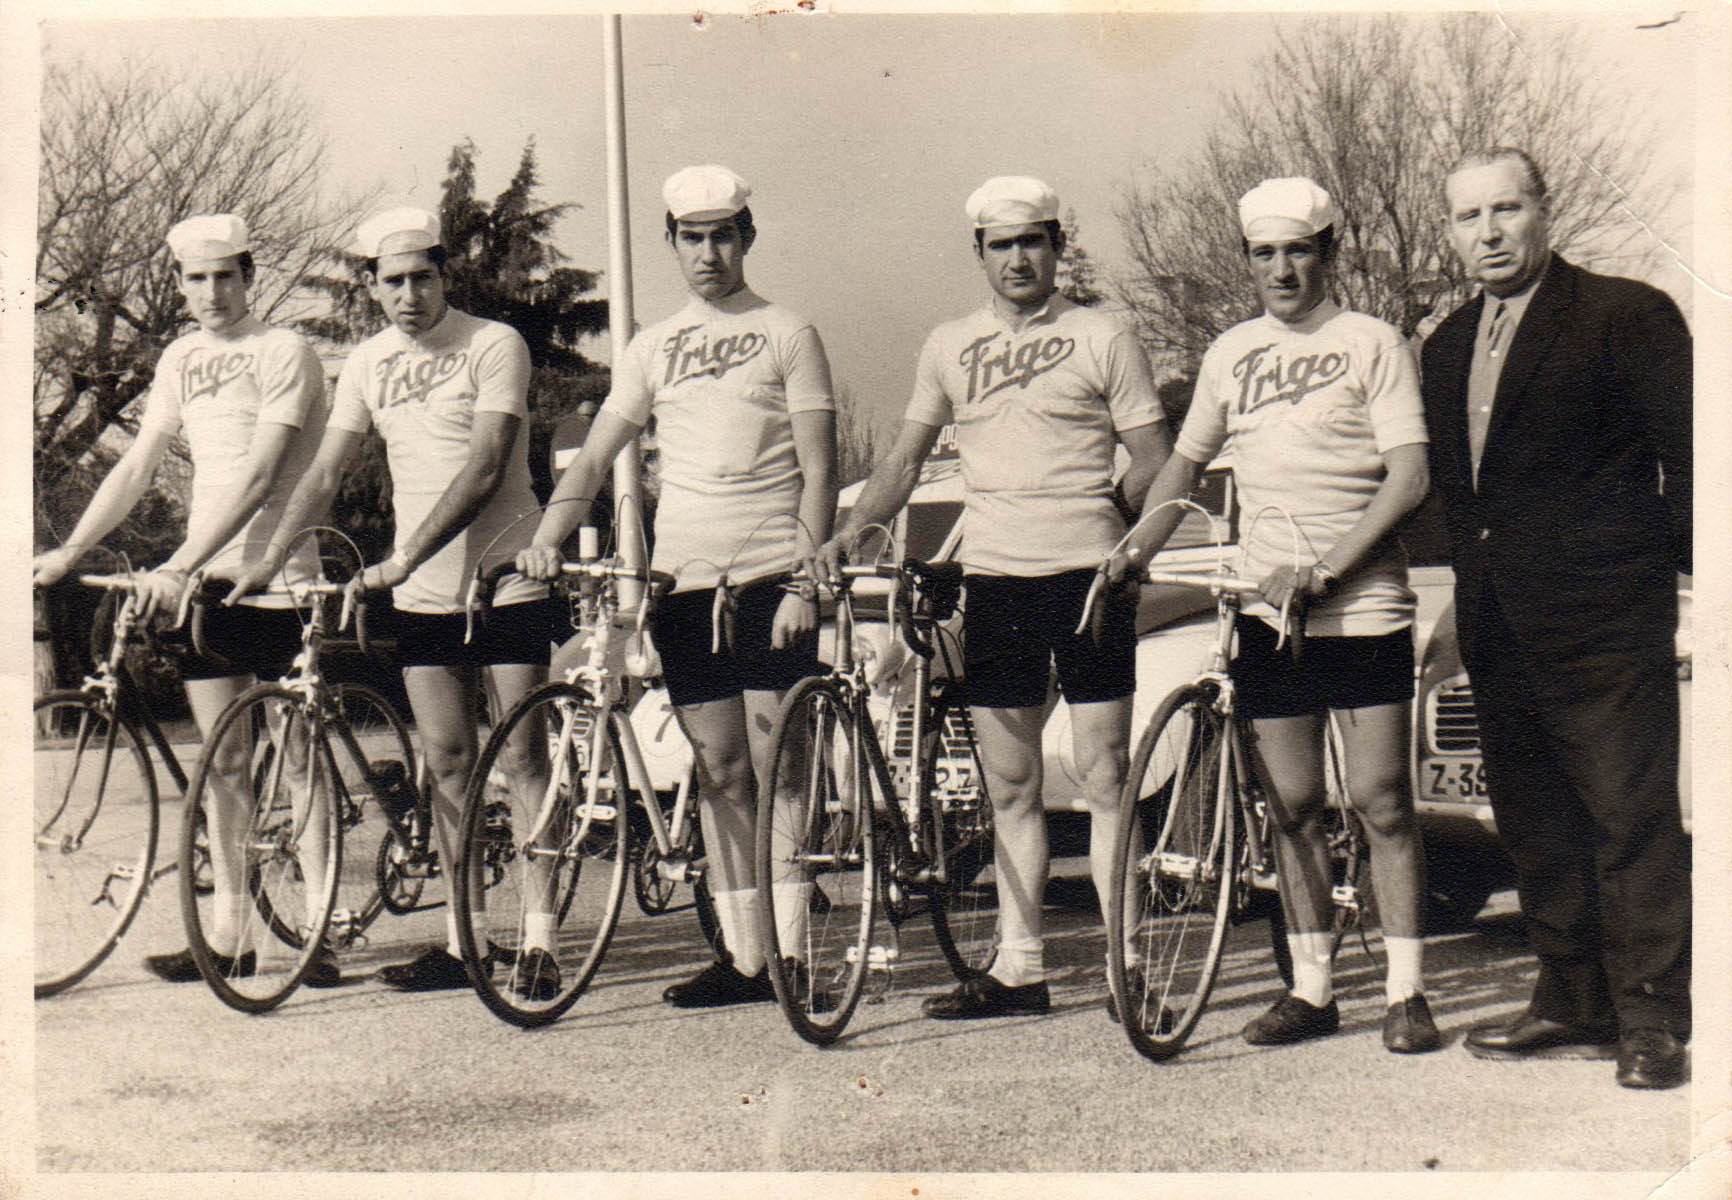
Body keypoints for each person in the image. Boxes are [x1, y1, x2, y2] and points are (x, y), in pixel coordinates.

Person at [818, 176, 1171, 1020]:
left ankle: (1125, 963)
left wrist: (1119, 526)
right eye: (1001, 245)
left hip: (1090, 579)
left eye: (1034, 242)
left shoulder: (1105, 335)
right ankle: (1021, 968)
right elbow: (903, 461)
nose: (1019, 258)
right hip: (998, 580)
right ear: (979, 253)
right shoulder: (948, 344)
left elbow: (1155, 456)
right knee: (1009, 784)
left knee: (1106, 774)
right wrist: (853, 531)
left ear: (1055, 248)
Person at [1109, 177, 1439, 1053]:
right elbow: (1183, 465)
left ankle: (1407, 993)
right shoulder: (1230, 353)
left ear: (1329, 253)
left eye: (1300, 250)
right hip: (1267, 615)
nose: (1282, 269)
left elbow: (1408, 478)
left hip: (1361, 604)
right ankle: (1314, 989)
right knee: (1290, 805)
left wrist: (1326, 571)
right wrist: (1137, 545)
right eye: (1265, 253)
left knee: (1381, 803)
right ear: (1248, 261)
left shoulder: (1372, 341)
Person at [518, 165, 837, 1007]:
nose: (708, 252)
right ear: (671, 244)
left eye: (722, 234)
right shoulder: (652, 345)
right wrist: (548, 537)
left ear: (747, 236)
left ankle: (794, 954)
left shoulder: (787, 331)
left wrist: (809, 574)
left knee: (783, 773)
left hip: (772, 573)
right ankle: (744, 960)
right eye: (691, 238)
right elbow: (595, 455)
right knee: (722, 770)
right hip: (686, 583)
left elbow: (819, 465)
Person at [233, 207, 556, 992]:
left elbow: (484, 468)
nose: (408, 294)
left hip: (506, 573)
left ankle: (541, 940)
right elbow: (323, 473)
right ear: (374, 288)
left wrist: (404, 553)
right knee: (446, 759)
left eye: (422, 278)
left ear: (445, 278)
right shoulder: (370, 363)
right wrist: (274, 556)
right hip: (423, 592)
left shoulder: (492, 343)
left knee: (523, 754)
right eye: (393, 281)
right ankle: (464, 938)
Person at [1422, 148, 1691, 1089]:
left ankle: (1653, 1020)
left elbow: (1691, 463)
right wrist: (1459, 604)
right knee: (1536, 819)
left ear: (1545, 210)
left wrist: (1699, 587)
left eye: (1506, 210)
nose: (1487, 233)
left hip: (1608, 618)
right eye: (1467, 216)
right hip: (1500, 624)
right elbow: (1462, 500)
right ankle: (1570, 998)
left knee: (1628, 817)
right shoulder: (1447, 342)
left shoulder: (1626, 315)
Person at [33, 213, 335, 986]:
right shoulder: (180, 357)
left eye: (225, 276)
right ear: (179, 284)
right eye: (195, 279)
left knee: (296, 759)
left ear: (249, 275)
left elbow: (264, 475)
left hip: (276, 578)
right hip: (206, 584)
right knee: (226, 765)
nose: (211, 292)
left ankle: (316, 930)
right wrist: (71, 548)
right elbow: (137, 464)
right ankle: (231, 934)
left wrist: (179, 562)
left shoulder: (284, 351)